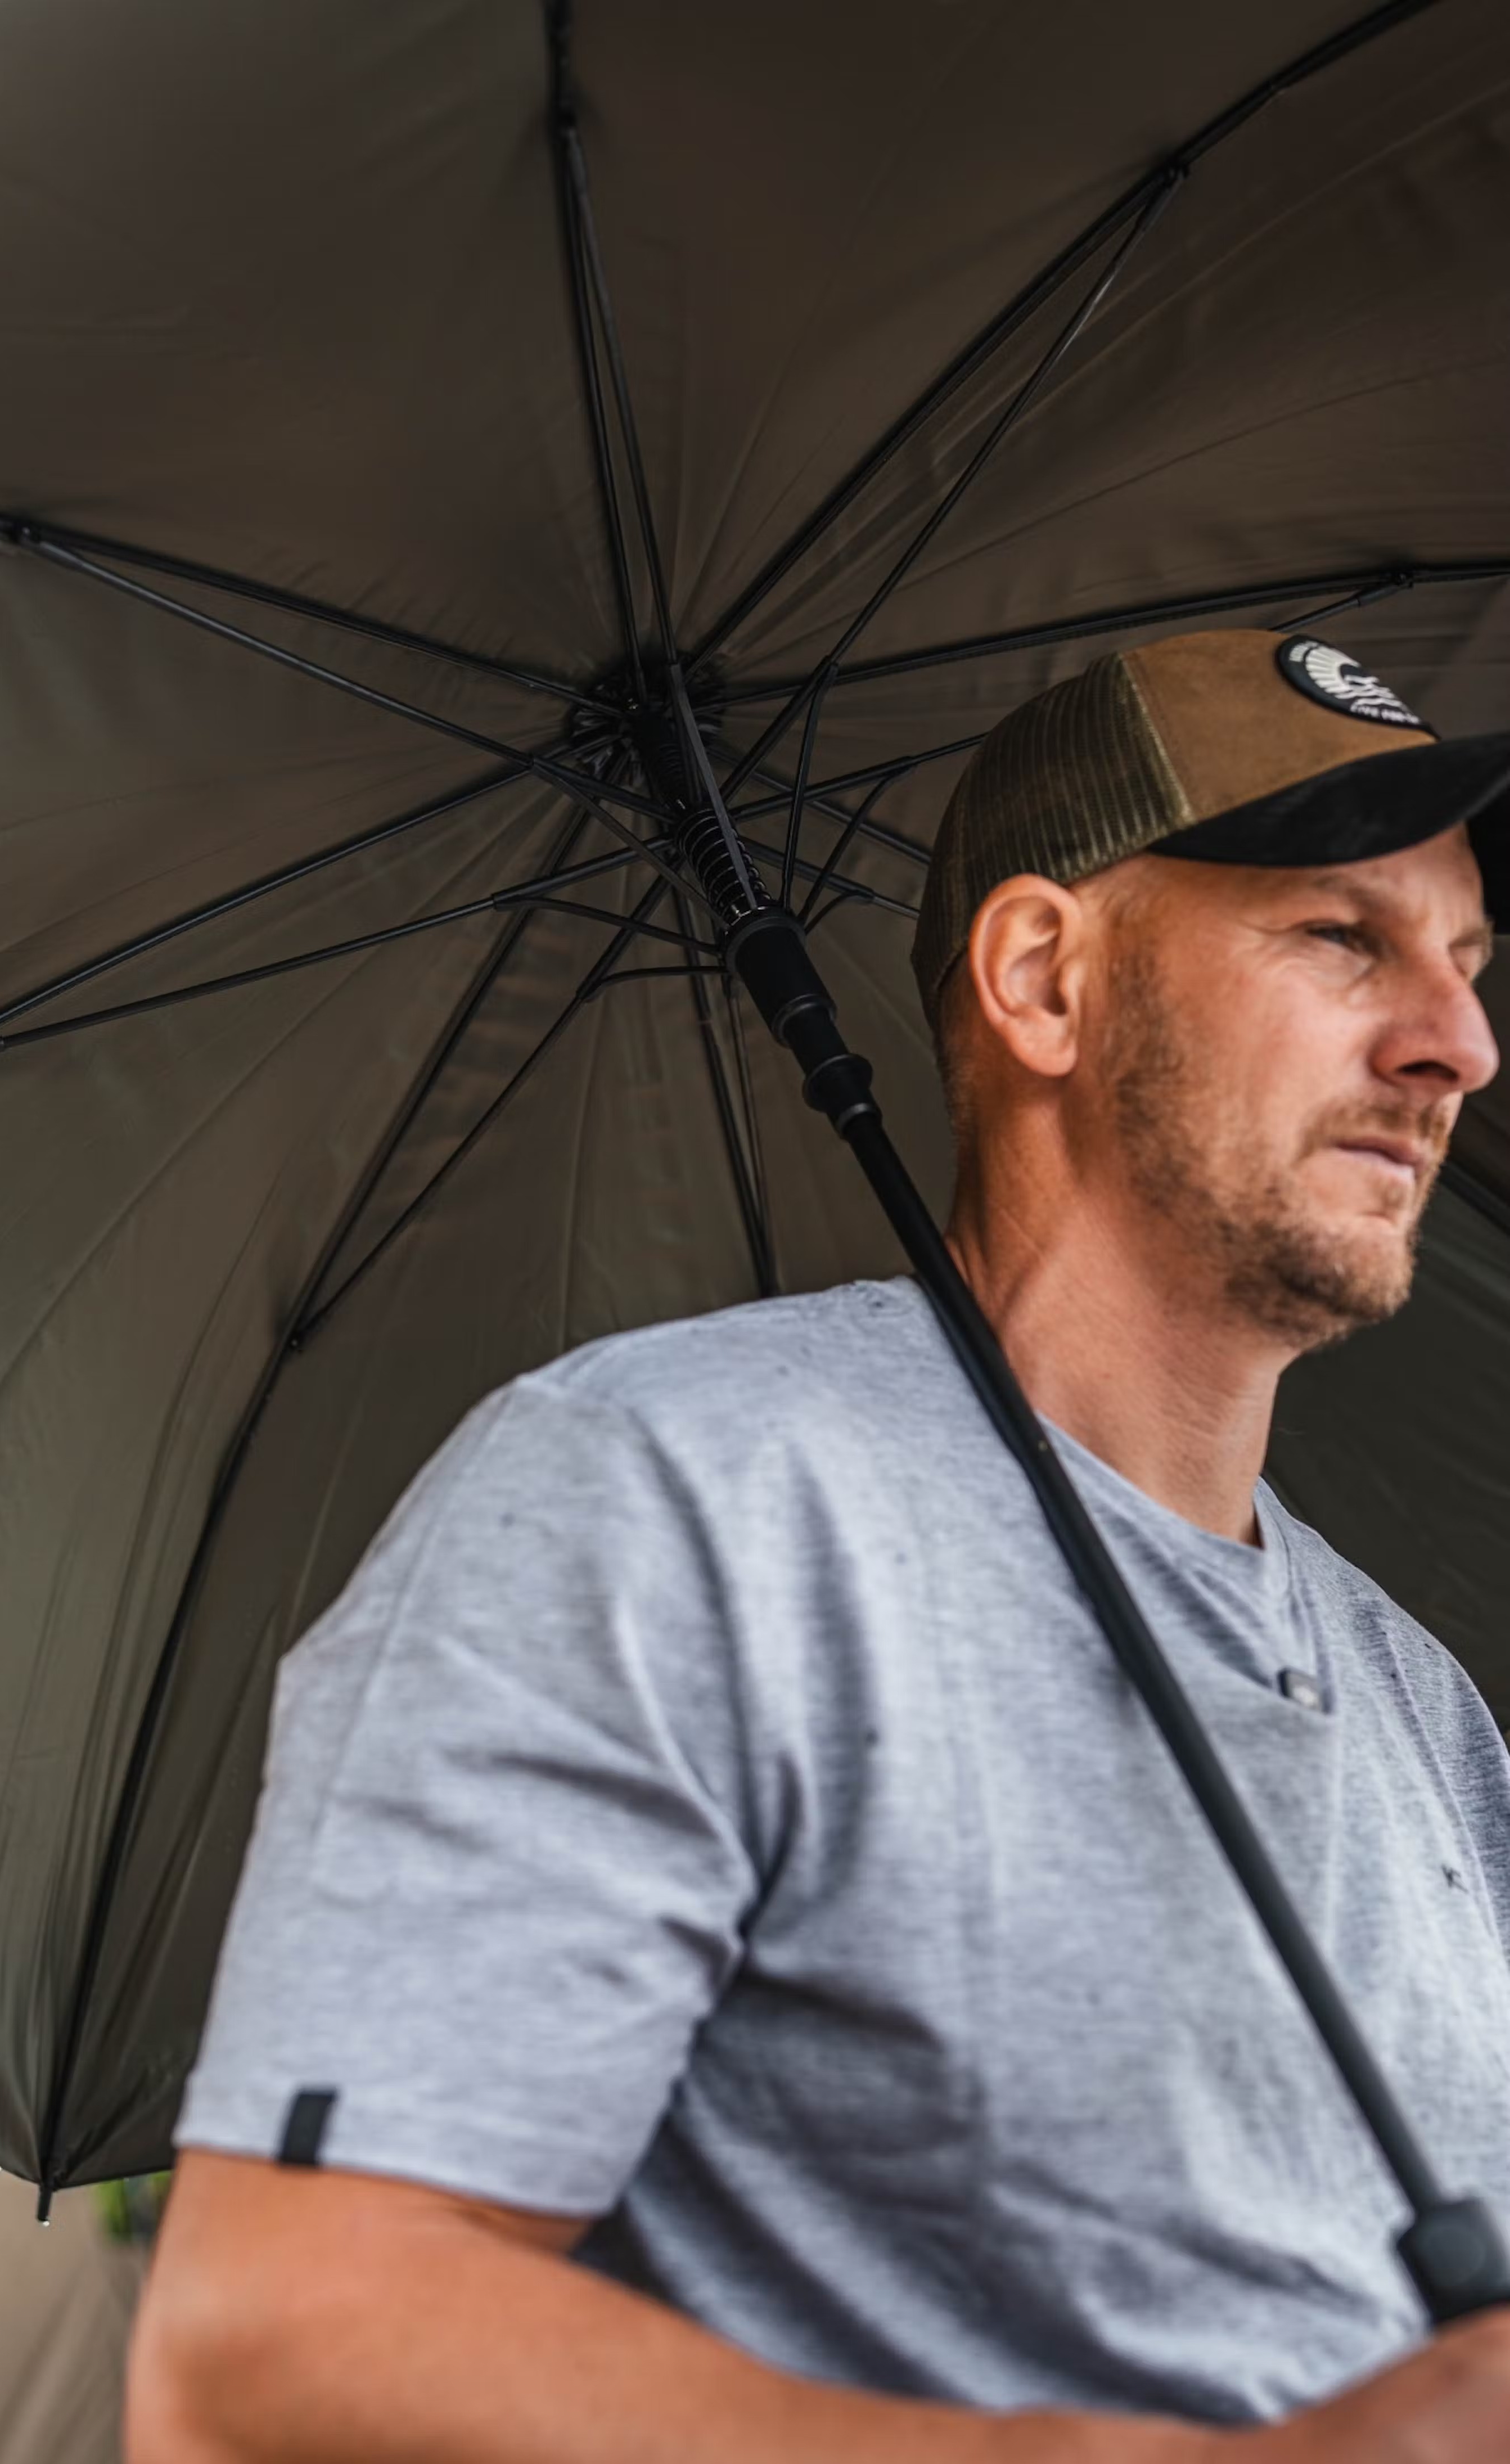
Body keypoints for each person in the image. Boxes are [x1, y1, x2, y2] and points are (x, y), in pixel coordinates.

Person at [128, 627, 1510, 2463]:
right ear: (1044, 979)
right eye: (1342, 938)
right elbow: (262, 2356)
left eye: (1469, 964)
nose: (1458, 1047)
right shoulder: (664, 1499)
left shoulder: (1432, 1715)